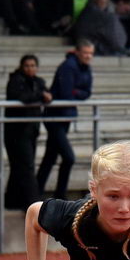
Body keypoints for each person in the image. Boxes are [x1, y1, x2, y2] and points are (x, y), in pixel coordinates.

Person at [38, 40, 93, 200]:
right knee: (68, 157)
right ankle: (59, 194)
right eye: (85, 53)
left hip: (66, 116)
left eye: (91, 53)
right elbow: (66, 93)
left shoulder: (85, 67)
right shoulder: (68, 66)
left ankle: (37, 191)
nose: (88, 56)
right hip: (55, 116)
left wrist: (76, 92)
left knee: (50, 156)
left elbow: (87, 92)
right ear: (77, 52)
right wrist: (77, 92)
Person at [5, 54, 51, 211]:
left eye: (33, 65)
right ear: (21, 67)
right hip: (16, 131)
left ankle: (12, 200)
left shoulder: (39, 82)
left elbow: (48, 95)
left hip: (32, 129)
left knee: (20, 166)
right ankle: (33, 204)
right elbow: (20, 97)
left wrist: (45, 95)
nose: (30, 68)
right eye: (27, 65)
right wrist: (40, 95)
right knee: (25, 166)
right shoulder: (16, 80)